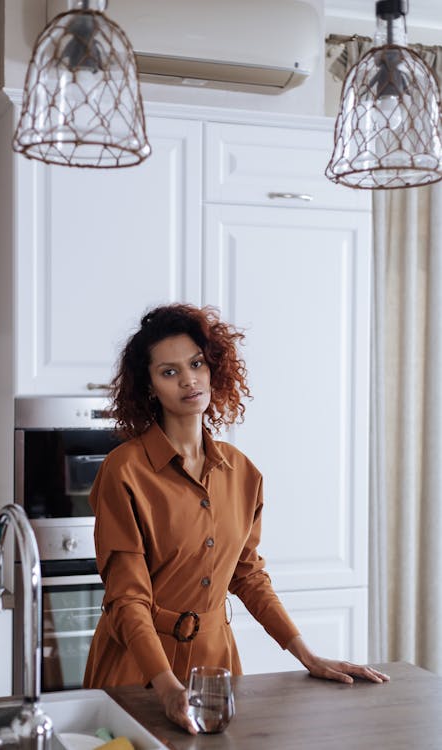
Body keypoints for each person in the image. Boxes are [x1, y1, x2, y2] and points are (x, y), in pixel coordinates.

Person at [83, 303, 389, 734]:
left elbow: (247, 575)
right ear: (149, 387)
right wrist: (168, 688)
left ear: (213, 369)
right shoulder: (125, 470)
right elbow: (128, 598)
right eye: (169, 372)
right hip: (138, 668)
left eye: (196, 364)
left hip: (216, 668)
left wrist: (307, 654)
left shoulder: (243, 472)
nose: (188, 379)